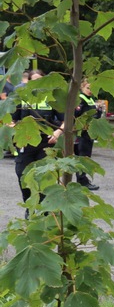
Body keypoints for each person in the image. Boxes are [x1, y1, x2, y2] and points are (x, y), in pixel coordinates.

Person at [11, 69, 63, 208]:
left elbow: (66, 120)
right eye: (33, 81)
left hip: (46, 142)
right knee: (22, 174)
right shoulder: (23, 97)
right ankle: (30, 206)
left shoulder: (52, 97)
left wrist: (57, 133)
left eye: (39, 80)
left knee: (45, 177)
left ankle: (44, 209)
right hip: (26, 141)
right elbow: (12, 120)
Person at [74, 77, 101, 191]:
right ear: (82, 87)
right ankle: (82, 181)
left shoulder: (90, 99)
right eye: (88, 88)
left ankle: (83, 179)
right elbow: (78, 114)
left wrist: (99, 111)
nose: (90, 90)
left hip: (89, 132)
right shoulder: (81, 99)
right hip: (82, 132)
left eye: (92, 88)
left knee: (86, 156)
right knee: (83, 157)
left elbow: (94, 116)